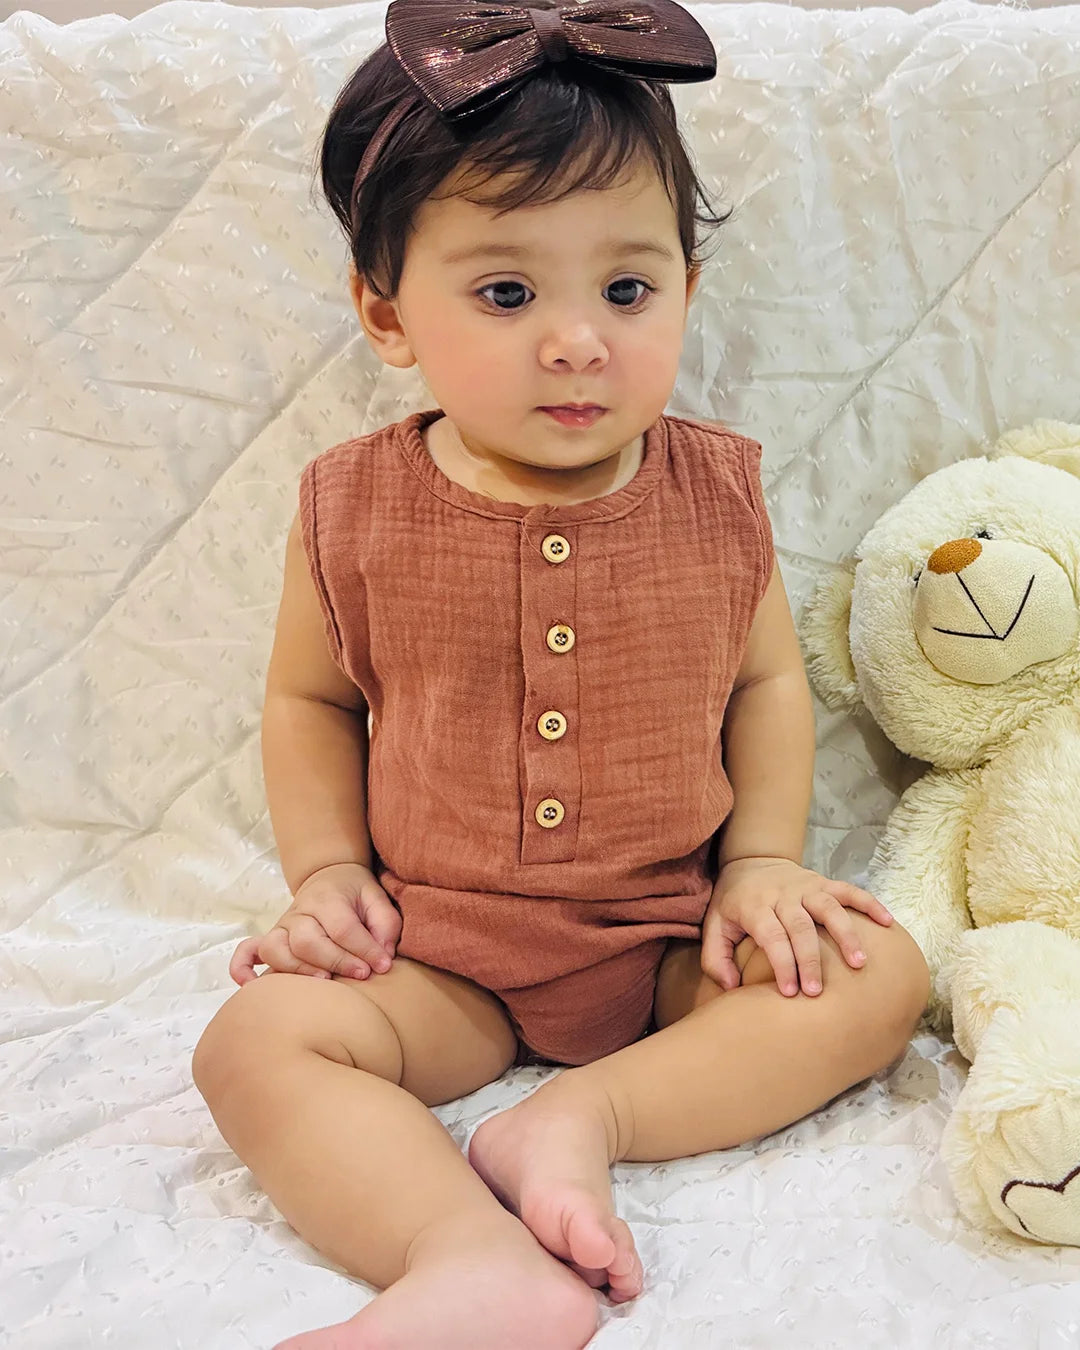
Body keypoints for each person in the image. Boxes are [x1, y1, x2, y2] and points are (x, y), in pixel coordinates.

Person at [192, 1, 931, 1346]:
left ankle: (580, 1119)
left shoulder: (718, 492)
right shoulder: (348, 506)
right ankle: (463, 1253)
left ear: (685, 293)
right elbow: (311, 701)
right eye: (509, 292)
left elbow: (766, 685)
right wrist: (327, 875)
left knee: (879, 970)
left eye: (628, 289)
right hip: (444, 959)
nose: (579, 339)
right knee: (249, 1042)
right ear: (386, 309)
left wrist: (764, 860)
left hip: (667, 946)